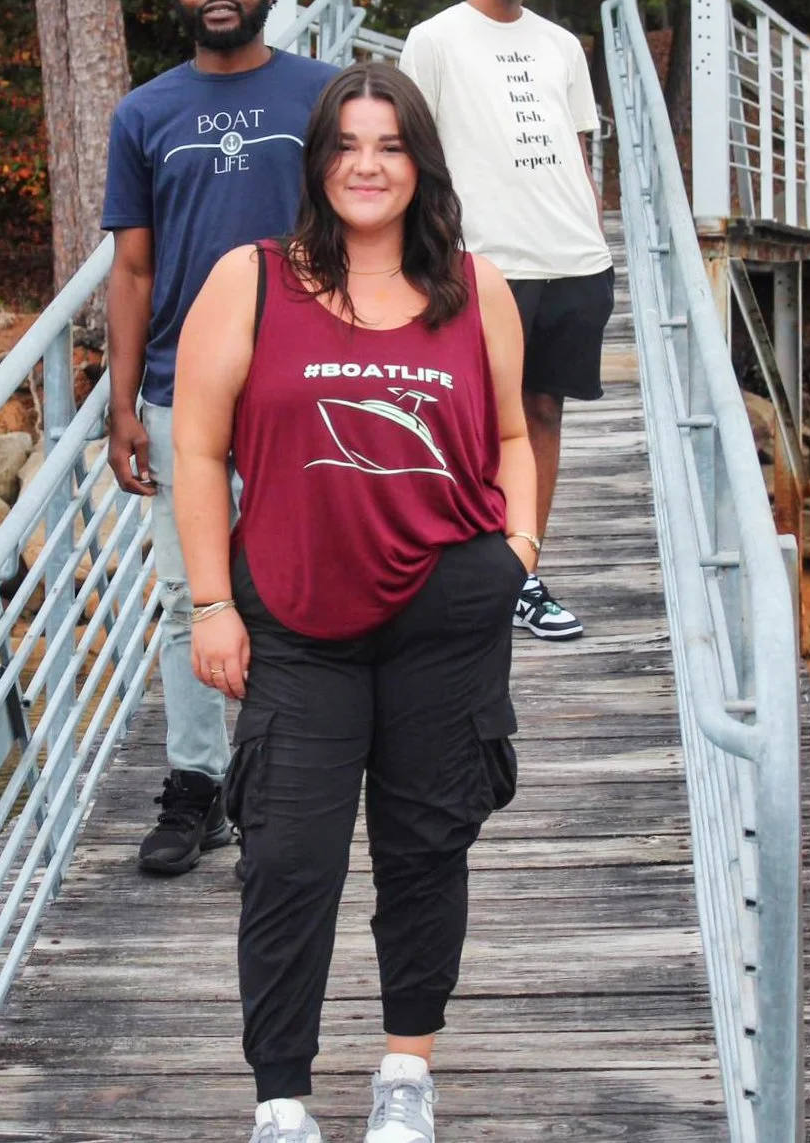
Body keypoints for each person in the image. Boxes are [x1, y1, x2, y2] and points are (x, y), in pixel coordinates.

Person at [172, 62, 539, 1143]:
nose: (366, 165)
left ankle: (405, 1072)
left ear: (420, 162)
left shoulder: (474, 287)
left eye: (389, 145)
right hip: (294, 619)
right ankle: (281, 1096)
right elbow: (195, 449)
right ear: (316, 161)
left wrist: (518, 551)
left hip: (447, 615)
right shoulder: (251, 278)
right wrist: (209, 601)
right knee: (287, 856)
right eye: (345, 144)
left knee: (427, 846)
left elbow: (514, 432)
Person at [102, 0, 339, 876]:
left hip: (303, 379)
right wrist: (121, 402)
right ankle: (195, 786)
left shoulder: (324, 96)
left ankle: (281, 780)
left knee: (302, 588)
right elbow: (131, 269)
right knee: (185, 596)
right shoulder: (144, 113)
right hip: (178, 387)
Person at [399, 0, 613, 641]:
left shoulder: (562, 46)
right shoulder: (433, 39)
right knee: (468, 420)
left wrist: (593, 230)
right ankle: (456, 568)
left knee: (543, 411)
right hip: (482, 263)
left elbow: (576, 150)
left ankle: (522, 572)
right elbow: (413, 153)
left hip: (573, 259)